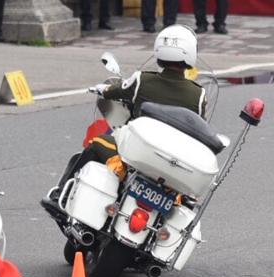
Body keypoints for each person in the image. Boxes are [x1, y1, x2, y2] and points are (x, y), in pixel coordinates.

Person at [42, 25, 207, 207]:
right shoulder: (198, 96)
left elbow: (114, 91)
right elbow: (197, 133)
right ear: (191, 53)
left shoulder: (141, 80)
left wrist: (102, 90)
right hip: (171, 171)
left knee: (96, 144)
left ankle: (59, 196)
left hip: (135, 159)